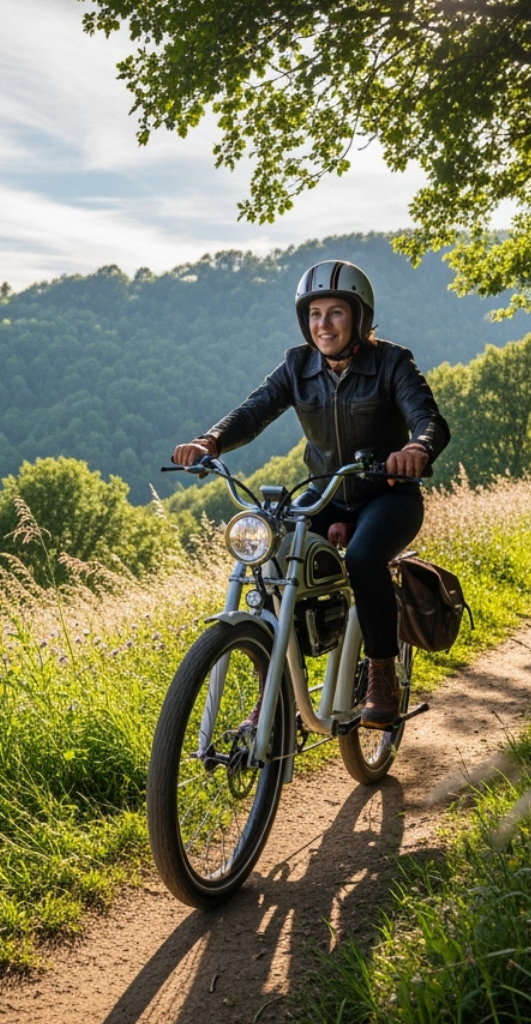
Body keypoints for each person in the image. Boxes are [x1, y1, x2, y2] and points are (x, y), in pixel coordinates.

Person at [172, 260, 449, 729]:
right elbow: (254, 410)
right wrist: (210, 441)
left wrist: (416, 448)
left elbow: (429, 419)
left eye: (336, 313)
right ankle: (278, 691)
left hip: (387, 496)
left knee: (363, 560)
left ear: (359, 317)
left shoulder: (391, 362)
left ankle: (382, 672)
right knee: (272, 562)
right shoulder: (297, 365)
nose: (324, 324)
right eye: (315, 314)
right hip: (322, 498)